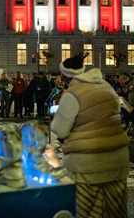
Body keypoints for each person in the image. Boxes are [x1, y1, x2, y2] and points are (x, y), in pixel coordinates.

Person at [51, 54, 129, 218]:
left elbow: (60, 129)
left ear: (66, 75)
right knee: (114, 211)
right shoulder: (106, 86)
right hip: (117, 158)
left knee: (90, 211)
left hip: (88, 163)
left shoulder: (73, 94)